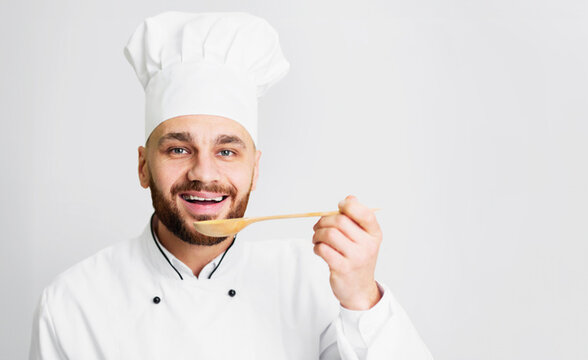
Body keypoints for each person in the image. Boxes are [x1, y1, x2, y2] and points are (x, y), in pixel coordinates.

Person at [29, 11, 432, 359]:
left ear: (255, 170)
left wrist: (361, 297)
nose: (203, 173)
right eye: (178, 149)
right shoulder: (73, 301)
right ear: (143, 166)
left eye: (226, 152)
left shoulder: (313, 281)